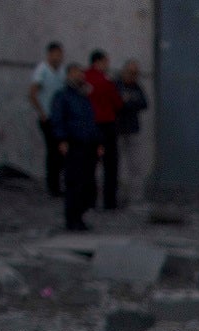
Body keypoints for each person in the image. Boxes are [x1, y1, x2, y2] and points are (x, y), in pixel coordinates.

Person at [50, 62, 98, 231]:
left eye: (81, 73)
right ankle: (72, 219)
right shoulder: (62, 96)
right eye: (76, 73)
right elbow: (57, 119)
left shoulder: (84, 96)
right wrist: (61, 139)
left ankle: (80, 216)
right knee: (74, 183)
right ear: (69, 74)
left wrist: (97, 141)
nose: (80, 76)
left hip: (88, 144)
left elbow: (91, 120)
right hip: (74, 144)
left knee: (87, 183)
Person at [84, 50, 121, 211]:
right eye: (106, 62)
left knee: (89, 165)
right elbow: (117, 103)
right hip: (106, 125)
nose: (108, 65)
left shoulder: (84, 78)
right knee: (110, 166)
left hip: (89, 125)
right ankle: (109, 202)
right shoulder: (106, 81)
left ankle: (89, 200)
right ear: (98, 62)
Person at [28, 41, 66, 196]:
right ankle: (53, 186)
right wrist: (42, 112)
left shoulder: (62, 71)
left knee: (61, 152)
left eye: (60, 54)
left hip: (61, 118)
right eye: (56, 54)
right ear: (49, 54)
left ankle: (57, 183)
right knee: (53, 152)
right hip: (48, 118)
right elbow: (32, 93)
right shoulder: (42, 70)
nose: (59, 57)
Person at [115, 59, 149, 206]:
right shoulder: (116, 85)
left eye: (136, 73)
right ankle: (120, 194)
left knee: (136, 164)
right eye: (131, 72)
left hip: (133, 129)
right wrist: (127, 103)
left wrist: (128, 102)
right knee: (119, 164)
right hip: (118, 129)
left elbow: (144, 103)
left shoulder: (137, 87)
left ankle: (136, 195)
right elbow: (117, 104)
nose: (133, 76)